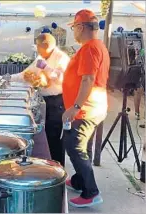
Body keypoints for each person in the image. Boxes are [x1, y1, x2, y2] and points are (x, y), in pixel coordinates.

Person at [62, 9, 109, 207]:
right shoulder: (96, 46)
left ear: (80, 27)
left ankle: (91, 192)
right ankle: (79, 181)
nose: (74, 32)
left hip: (86, 108)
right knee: (74, 144)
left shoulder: (90, 48)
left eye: (74, 28)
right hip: (92, 107)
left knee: (75, 146)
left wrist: (75, 106)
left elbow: (88, 78)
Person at [3, 33, 70, 166]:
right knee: (47, 136)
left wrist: (46, 67)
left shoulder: (61, 57)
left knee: (55, 138)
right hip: (45, 100)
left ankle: (57, 168)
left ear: (45, 45)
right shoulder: (41, 57)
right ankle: (48, 165)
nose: (37, 50)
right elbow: (25, 73)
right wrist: (8, 78)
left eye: (38, 47)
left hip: (57, 101)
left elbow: (61, 77)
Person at [133, 28, 145, 123]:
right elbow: (137, 57)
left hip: (142, 70)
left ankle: (143, 117)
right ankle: (137, 113)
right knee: (138, 92)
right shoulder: (135, 45)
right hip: (139, 71)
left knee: (139, 93)